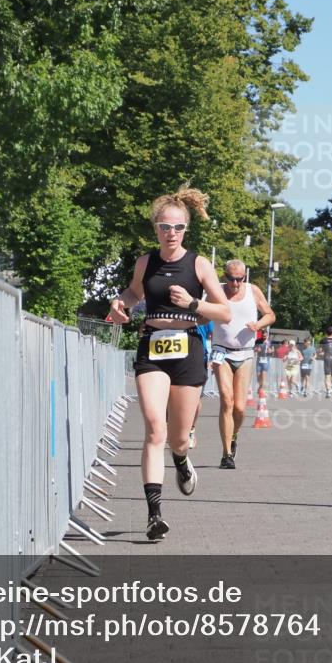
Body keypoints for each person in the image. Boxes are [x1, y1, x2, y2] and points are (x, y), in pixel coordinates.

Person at [109, 187, 231, 541]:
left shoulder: (199, 264)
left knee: (178, 438)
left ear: (186, 230)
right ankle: (154, 514)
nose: (171, 233)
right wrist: (122, 304)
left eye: (178, 228)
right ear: (156, 228)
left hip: (188, 348)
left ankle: (180, 459)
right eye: (165, 227)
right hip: (152, 347)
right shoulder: (146, 262)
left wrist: (194, 304)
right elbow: (134, 293)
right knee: (153, 428)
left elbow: (223, 311)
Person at [212, 259, 275, 470]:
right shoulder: (217, 291)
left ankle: (233, 435)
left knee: (239, 408)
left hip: (245, 354)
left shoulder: (253, 291)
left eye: (239, 279)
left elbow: (270, 314)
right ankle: (226, 454)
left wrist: (258, 324)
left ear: (244, 277)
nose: (235, 284)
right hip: (220, 352)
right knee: (226, 400)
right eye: (231, 279)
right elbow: (202, 313)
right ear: (225, 276)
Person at [188, 318, 215, 450]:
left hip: (199, 357)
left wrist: (214, 358)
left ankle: (191, 430)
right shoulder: (176, 308)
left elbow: (215, 335)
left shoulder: (205, 312)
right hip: (175, 356)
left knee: (195, 399)